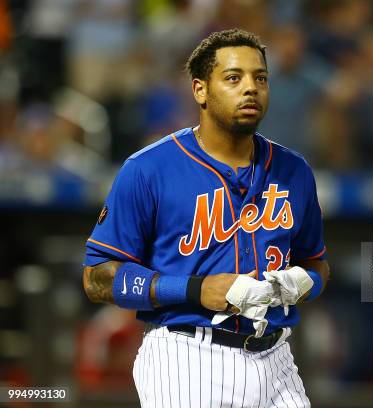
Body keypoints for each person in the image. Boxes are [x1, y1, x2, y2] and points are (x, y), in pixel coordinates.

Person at [82, 28, 330, 408]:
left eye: (259, 78)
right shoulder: (149, 169)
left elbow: (316, 263)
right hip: (188, 355)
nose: (250, 88)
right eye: (233, 78)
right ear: (200, 90)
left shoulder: (294, 170)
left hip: (276, 357)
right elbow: (97, 278)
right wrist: (195, 289)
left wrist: (299, 283)